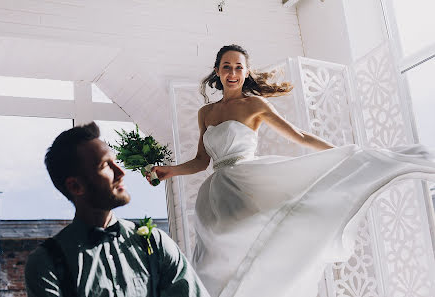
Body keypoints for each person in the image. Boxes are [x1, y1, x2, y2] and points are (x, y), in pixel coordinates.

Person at [149, 44, 435, 297]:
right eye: (227, 67)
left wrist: (341, 155)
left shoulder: (255, 105)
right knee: (213, 258)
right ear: (217, 71)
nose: (232, 72)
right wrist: (170, 171)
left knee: (247, 236)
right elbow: (201, 161)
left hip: (246, 182)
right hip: (214, 195)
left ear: (247, 72)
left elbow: (300, 136)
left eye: (238, 67)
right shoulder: (206, 113)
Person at [25, 122, 210, 297]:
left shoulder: (155, 242)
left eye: (116, 162)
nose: (121, 172)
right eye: (105, 165)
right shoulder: (45, 264)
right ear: (75, 186)